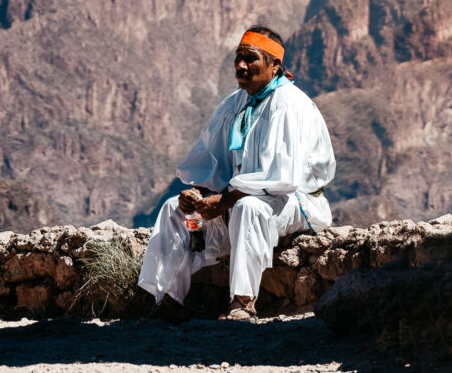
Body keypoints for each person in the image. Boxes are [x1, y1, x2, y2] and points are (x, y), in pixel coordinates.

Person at [138, 26, 335, 321]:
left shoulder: (289, 105)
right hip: (237, 198)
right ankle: (169, 300)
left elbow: (282, 178)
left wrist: (226, 200)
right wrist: (198, 194)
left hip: (295, 202)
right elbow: (214, 161)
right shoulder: (235, 103)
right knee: (175, 210)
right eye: (238, 58)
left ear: (274, 65)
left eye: (250, 59)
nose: (241, 66)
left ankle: (242, 303)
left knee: (248, 208)